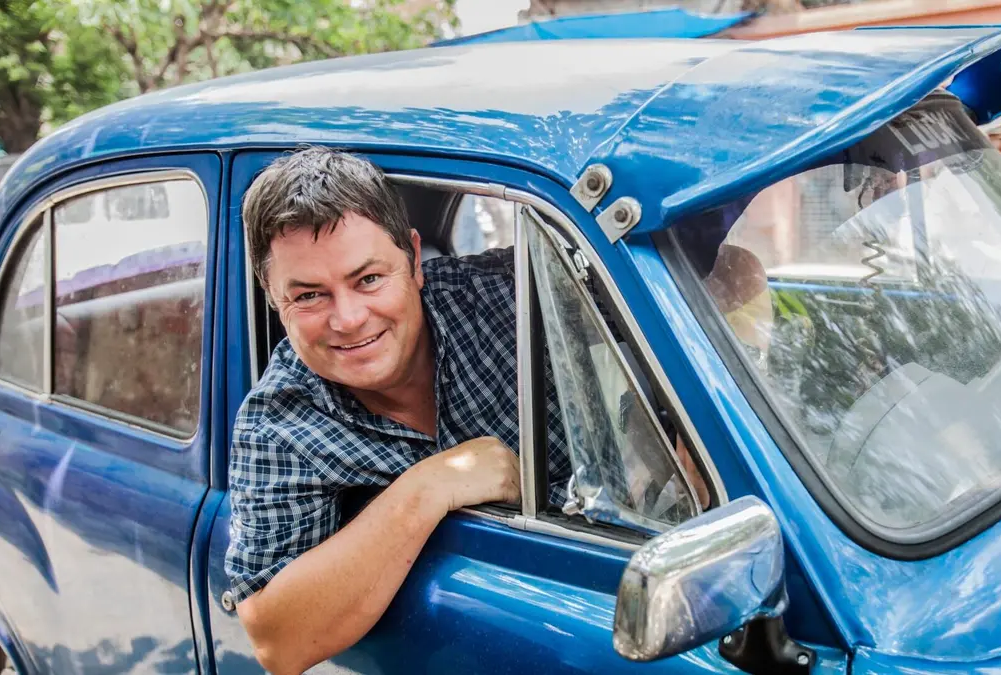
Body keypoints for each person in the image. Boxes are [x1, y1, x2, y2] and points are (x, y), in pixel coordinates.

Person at [225, 147, 708, 675]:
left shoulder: (505, 294)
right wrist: (431, 487)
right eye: (309, 296)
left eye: (369, 279)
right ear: (273, 298)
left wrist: (680, 437)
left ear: (414, 262)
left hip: (647, 581)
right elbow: (278, 641)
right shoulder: (280, 424)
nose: (349, 318)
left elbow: (704, 289)